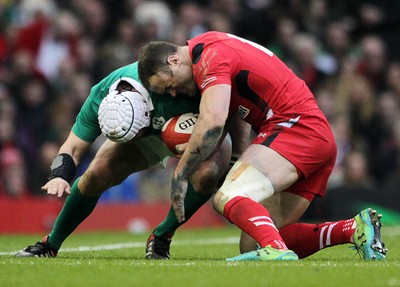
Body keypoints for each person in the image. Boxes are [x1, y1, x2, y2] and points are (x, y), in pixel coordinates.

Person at [138, 31, 387, 261]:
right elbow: (237, 111)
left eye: (169, 85)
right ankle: (351, 229)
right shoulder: (212, 49)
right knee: (253, 243)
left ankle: (276, 251)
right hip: (315, 136)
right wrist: (236, 158)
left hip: (294, 128)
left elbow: (212, 121)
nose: (173, 93)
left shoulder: (209, 58)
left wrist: (180, 175)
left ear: (174, 61)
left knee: (228, 195)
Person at [15, 61, 236, 258]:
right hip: (149, 134)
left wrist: (234, 157)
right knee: (96, 173)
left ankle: (161, 237)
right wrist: (58, 175)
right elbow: (71, 148)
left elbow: (229, 107)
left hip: (199, 125)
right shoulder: (99, 96)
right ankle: (50, 243)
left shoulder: (174, 82)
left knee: (208, 173)